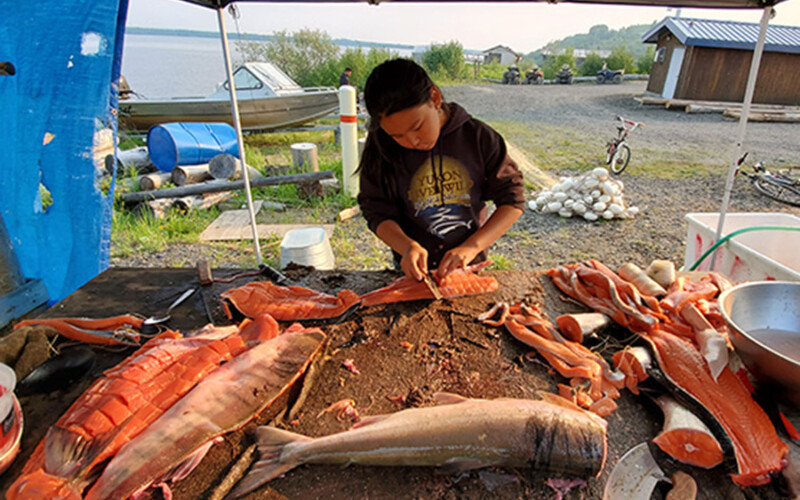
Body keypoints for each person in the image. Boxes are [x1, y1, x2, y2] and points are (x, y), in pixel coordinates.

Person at [357, 59, 525, 283]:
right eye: (397, 136)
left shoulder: (478, 137)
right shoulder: (381, 148)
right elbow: (376, 211)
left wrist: (472, 247)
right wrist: (407, 247)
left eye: (416, 126)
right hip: (413, 268)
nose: (412, 141)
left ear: (434, 98)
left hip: (467, 263)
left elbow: (513, 201)